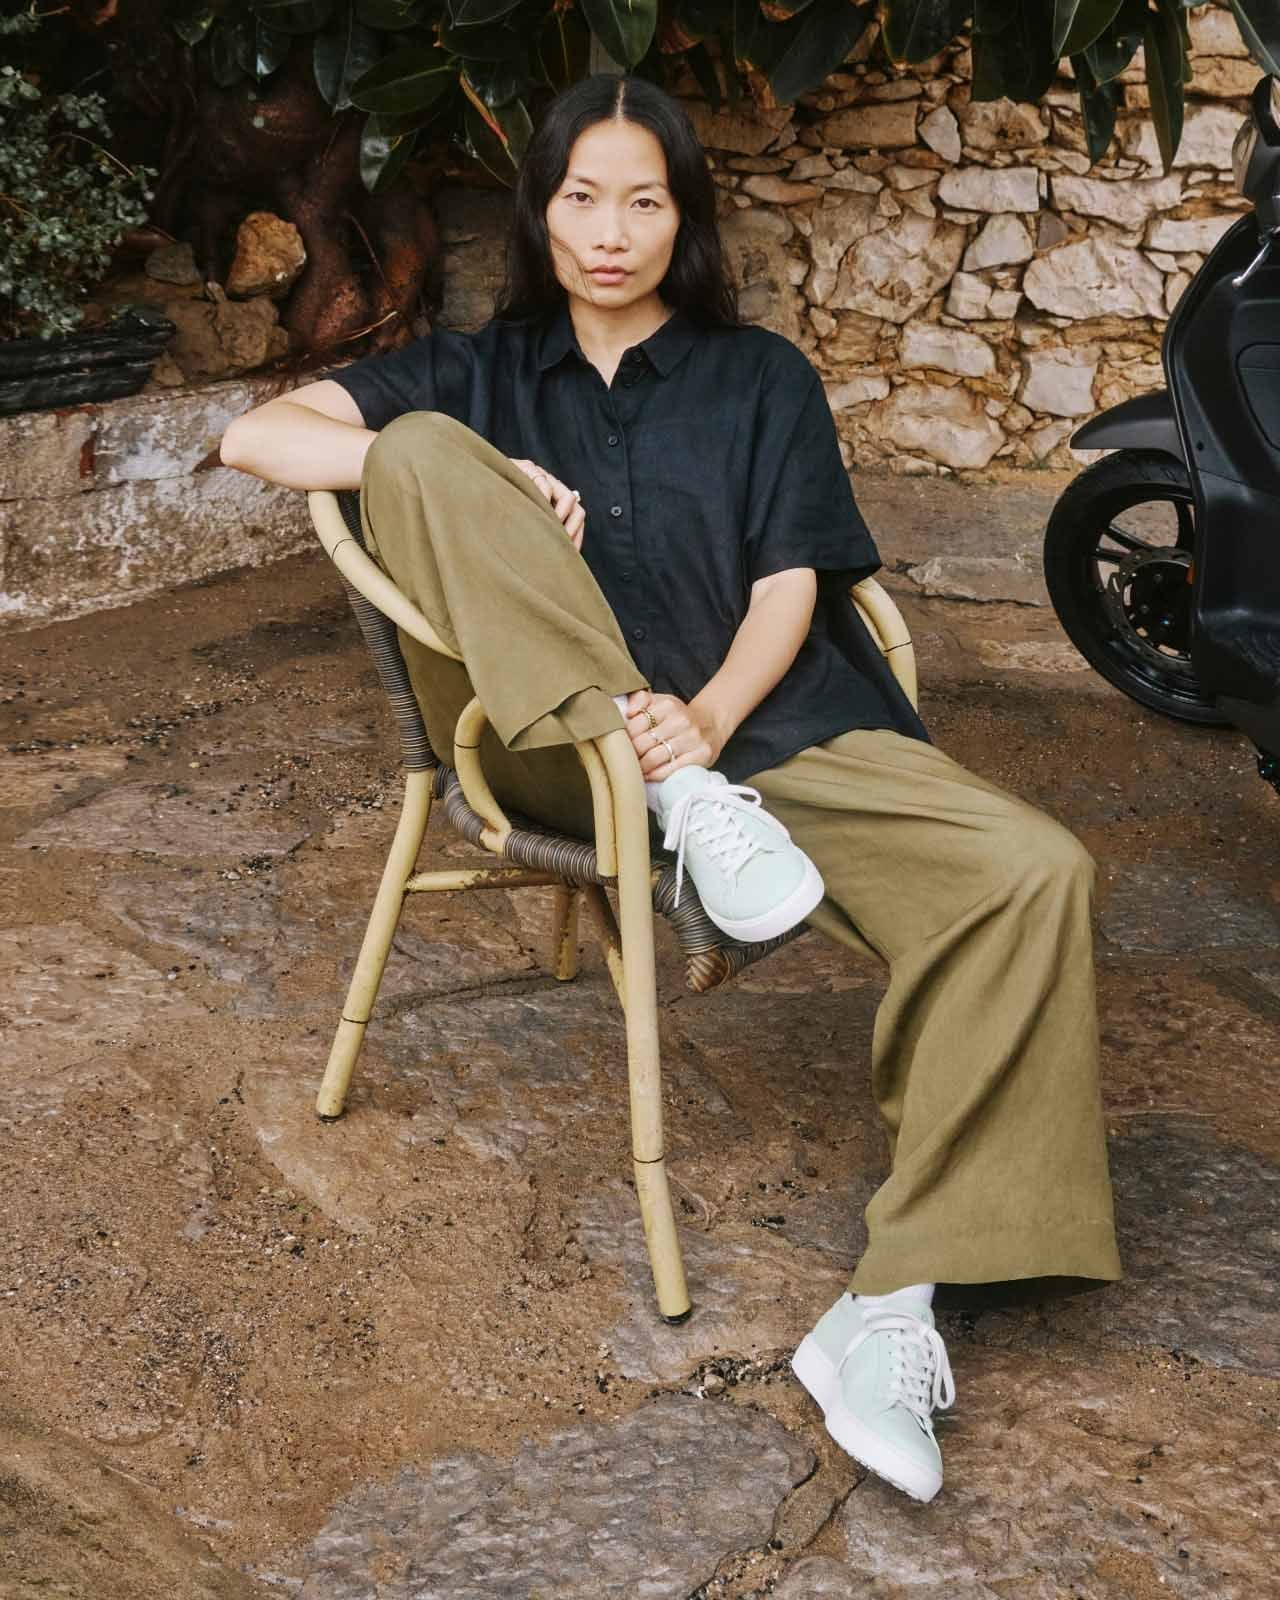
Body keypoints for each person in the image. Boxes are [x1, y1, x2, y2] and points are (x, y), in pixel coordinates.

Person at [220, 72, 1122, 1505]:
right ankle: (674, 798)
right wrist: (478, 478)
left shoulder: (759, 376)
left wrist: (698, 727)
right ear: (543, 211)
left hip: (766, 735)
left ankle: (891, 1306)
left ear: (682, 218)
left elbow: (792, 580)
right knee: (429, 449)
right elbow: (253, 439)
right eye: (583, 196)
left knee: (1034, 870)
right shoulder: (476, 373)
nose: (612, 229)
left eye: (645, 198)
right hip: (553, 745)